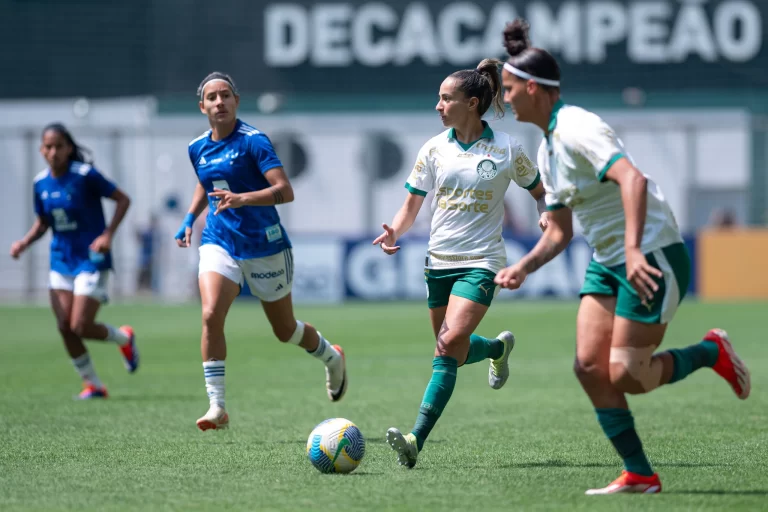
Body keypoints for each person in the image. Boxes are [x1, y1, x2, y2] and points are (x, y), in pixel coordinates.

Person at [494, 19, 751, 494]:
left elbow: (631, 179)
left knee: (628, 376)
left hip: (651, 254)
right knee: (589, 368)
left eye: (508, 89)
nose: (504, 99)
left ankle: (712, 351)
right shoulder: (548, 148)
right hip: (608, 262)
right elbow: (561, 232)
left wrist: (633, 250)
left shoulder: (576, 127)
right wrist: (523, 267)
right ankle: (640, 475)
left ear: (533, 88)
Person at [373, 58, 549, 468]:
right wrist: (395, 232)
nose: (438, 106)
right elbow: (410, 205)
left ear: (471, 103)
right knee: (451, 349)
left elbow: (539, 189)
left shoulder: (507, 148)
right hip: (439, 263)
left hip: (482, 263)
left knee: (447, 346)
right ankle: (496, 349)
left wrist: (543, 209)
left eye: (445, 98)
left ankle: (416, 438)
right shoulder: (433, 149)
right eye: (438, 98)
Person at [176, 72, 348, 431]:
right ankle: (217, 406)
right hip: (219, 240)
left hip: (265, 244)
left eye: (226, 95)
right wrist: (190, 218)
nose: (219, 102)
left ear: (236, 101)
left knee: (284, 330)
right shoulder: (197, 147)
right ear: (202, 106)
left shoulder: (254, 142)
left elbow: (285, 191)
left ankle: (332, 357)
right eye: (212, 97)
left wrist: (242, 198)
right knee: (210, 314)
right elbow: (204, 183)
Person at [10, 123, 138, 399]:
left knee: (80, 325)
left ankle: (125, 339)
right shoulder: (40, 183)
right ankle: (93, 384)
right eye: (48, 146)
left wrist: (108, 235)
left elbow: (123, 200)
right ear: (41, 149)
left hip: (91, 259)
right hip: (60, 262)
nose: (53, 152)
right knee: (64, 327)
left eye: (59, 146)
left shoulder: (85, 175)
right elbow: (44, 222)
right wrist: (24, 242)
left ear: (69, 148)